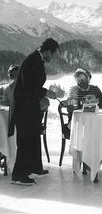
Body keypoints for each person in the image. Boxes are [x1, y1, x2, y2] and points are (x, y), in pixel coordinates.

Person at [10, 38, 59, 186]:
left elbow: (33, 84)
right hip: (24, 106)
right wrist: (47, 93)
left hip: (29, 104)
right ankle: (19, 174)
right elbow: (29, 86)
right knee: (26, 139)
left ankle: (34, 167)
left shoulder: (36, 59)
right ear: (48, 51)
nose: (54, 58)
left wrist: (44, 93)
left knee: (33, 136)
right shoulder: (33, 61)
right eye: (54, 54)